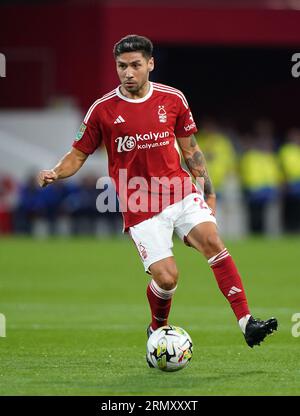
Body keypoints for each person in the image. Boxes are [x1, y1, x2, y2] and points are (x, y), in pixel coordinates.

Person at [37, 35, 278, 361]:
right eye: (122, 66)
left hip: (179, 191)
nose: (128, 73)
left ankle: (247, 321)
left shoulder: (173, 99)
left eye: (136, 65)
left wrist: (207, 190)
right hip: (139, 203)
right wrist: (55, 172)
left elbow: (191, 149)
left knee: (212, 241)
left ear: (150, 64)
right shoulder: (103, 110)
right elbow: (77, 155)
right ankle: (157, 327)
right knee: (167, 278)